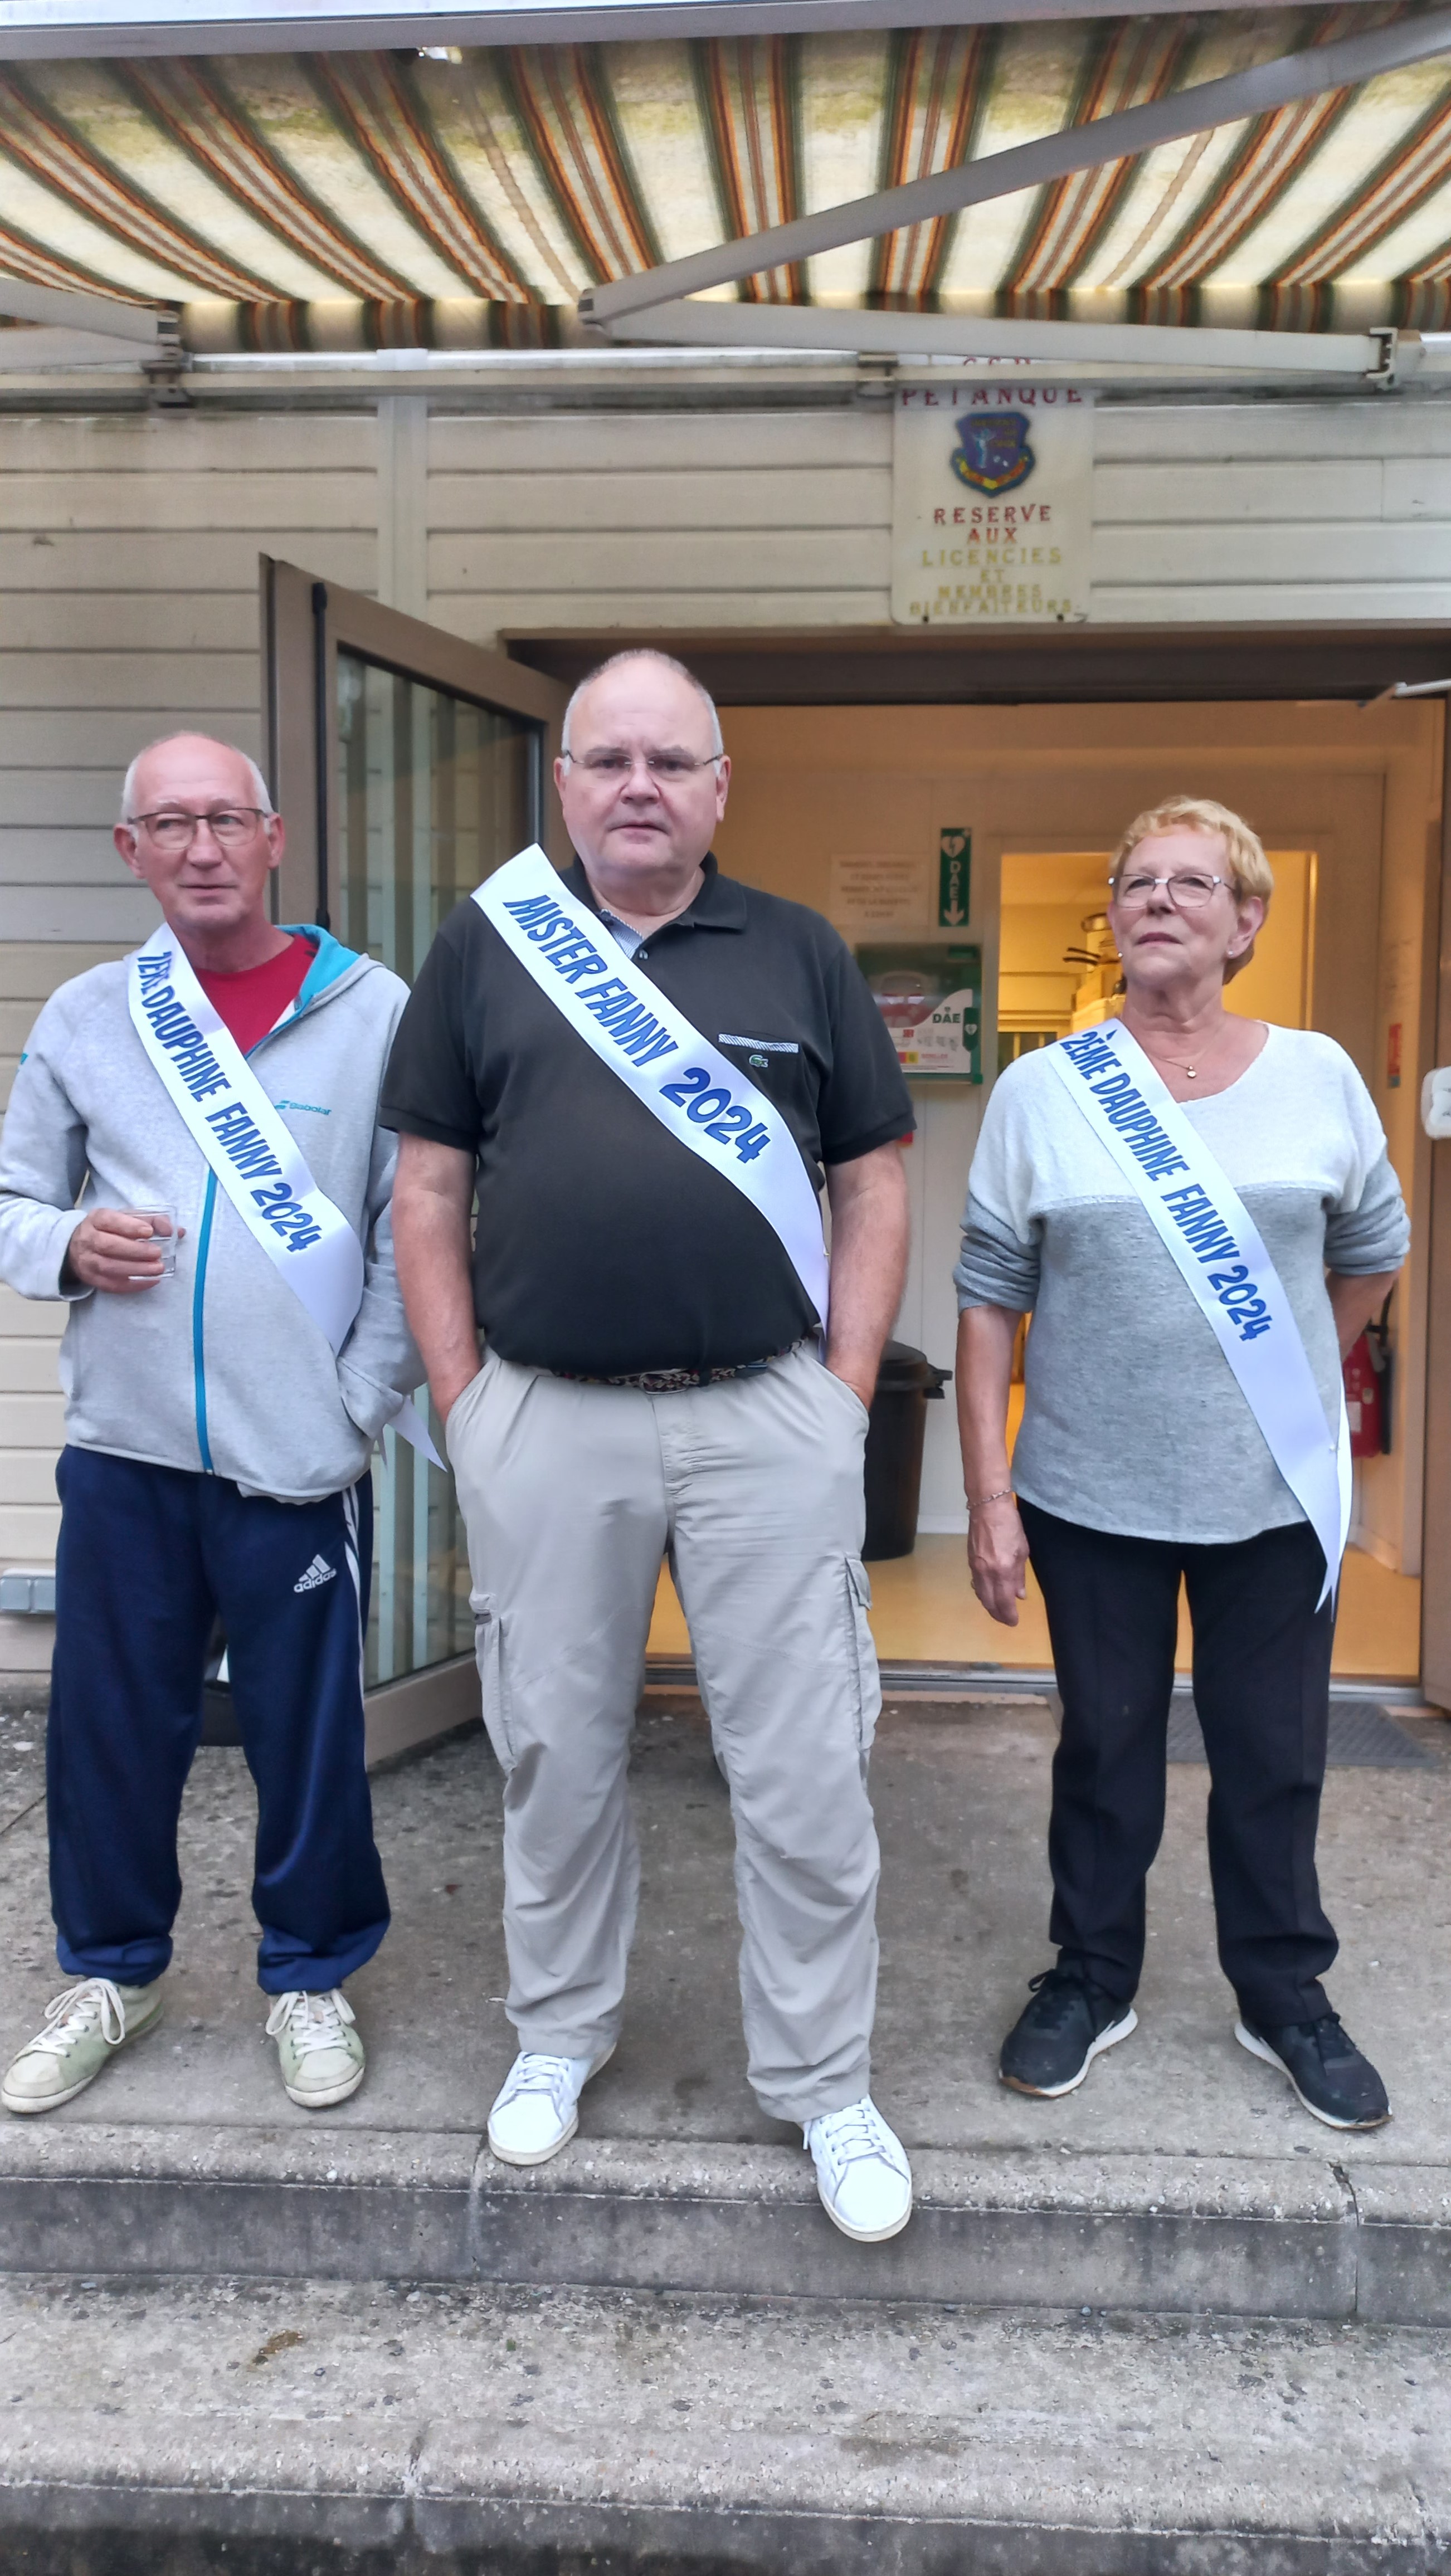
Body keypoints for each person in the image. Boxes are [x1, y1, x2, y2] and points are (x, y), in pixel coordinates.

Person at [384, 649, 917, 2242]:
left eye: (669, 763)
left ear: (717, 788)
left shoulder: (800, 952)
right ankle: (558, 2034)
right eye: (607, 760)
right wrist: (469, 1402)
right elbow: (423, 1193)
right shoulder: (488, 950)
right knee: (551, 1749)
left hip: (766, 1415)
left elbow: (872, 1182)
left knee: (805, 1767)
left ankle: (825, 2083)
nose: (637, 786)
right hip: (549, 1417)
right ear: (562, 785)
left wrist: (834, 1393)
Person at [956, 794, 1407, 2131]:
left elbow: (1373, 1252)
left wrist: (1295, 1379)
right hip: (1092, 1493)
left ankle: (1284, 1994)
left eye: (1191, 883)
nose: (1155, 899)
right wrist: (990, 1493)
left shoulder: (1319, 1073)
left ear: (1246, 920)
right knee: (1105, 1747)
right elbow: (989, 1298)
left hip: (1272, 1494)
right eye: (1135, 880)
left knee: (1274, 1753)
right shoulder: (1044, 1089)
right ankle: (1092, 1976)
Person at [0, 734, 421, 2118]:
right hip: (125, 1457)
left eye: (224, 818)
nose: (199, 846)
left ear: (274, 836)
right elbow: (8, 1206)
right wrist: (66, 1244)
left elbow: (422, 1229)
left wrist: (357, 1403)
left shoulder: (375, 1012)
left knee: (307, 1733)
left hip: (295, 1463)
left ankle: (309, 1975)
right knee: (111, 1726)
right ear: (131, 851)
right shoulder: (85, 1015)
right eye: (167, 823)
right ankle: (113, 1969)